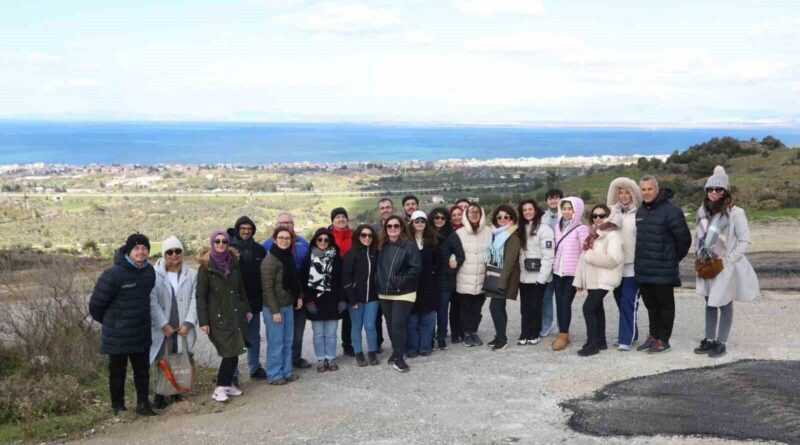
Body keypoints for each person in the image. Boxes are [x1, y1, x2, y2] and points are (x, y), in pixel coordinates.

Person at [693, 166, 759, 358]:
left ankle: (721, 342)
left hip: (725, 265)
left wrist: (729, 260)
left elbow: (745, 240)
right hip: (706, 264)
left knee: (724, 303)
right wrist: (699, 256)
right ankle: (709, 339)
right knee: (709, 302)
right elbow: (699, 237)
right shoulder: (702, 211)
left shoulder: (735, 213)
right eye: (710, 189)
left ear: (726, 191)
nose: (714, 193)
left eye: (719, 189)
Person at [89, 233, 157, 416]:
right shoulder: (113, 274)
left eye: (144, 248)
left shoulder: (149, 272)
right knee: (117, 373)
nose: (141, 252)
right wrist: (114, 322)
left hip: (141, 332)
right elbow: (95, 306)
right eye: (136, 248)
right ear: (128, 251)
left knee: (142, 371)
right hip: (117, 335)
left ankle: (143, 404)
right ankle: (118, 407)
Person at [634, 175, 691, 354]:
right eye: (643, 189)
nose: (646, 192)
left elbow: (684, 240)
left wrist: (671, 259)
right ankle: (653, 336)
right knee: (651, 306)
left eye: (649, 189)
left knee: (665, 306)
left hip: (663, 269)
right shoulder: (641, 211)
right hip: (644, 269)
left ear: (657, 189)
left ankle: (664, 340)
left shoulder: (672, 211)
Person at [196, 230, 253, 402]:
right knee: (229, 352)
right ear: (212, 243)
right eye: (217, 241)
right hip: (218, 318)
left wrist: (247, 309)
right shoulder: (205, 268)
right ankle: (220, 387)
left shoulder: (233, 263)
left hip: (235, 314)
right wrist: (204, 321)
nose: (221, 244)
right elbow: (200, 296)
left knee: (236, 349)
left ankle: (227, 385)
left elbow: (241, 288)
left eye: (224, 242)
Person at [149, 235, 197, 409]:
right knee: (161, 358)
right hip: (163, 327)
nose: (174, 255)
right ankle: (160, 393)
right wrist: (163, 324)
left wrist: (188, 323)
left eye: (178, 251)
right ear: (164, 254)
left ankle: (177, 391)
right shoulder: (154, 275)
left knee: (179, 357)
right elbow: (152, 301)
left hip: (182, 325)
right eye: (169, 252)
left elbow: (195, 300)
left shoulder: (191, 274)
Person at [263, 212, 312, 370]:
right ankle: (276, 372)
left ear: (293, 224)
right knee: (277, 338)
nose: (285, 225)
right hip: (277, 301)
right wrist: (273, 308)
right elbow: (267, 283)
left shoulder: (302, 244)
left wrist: (300, 295)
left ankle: (292, 362)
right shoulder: (267, 247)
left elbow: (301, 272)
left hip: (295, 297)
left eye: (288, 223)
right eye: (281, 223)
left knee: (294, 334)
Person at [573, 205, 624, 356]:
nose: (598, 218)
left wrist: (590, 255)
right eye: (595, 216)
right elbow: (583, 260)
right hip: (593, 278)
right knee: (597, 309)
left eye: (602, 215)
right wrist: (579, 280)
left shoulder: (613, 235)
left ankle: (592, 343)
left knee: (588, 308)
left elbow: (613, 260)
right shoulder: (593, 234)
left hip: (605, 279)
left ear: (608, 216)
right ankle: (600, 341)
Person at [376, 216, 422, 372]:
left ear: (401, 227)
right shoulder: (381, 245)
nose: (393, 228)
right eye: (389, 226)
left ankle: (399, 358)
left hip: (403, 292)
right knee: (390, 324)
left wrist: (399, 281)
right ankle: (397, 352)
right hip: (384, 292)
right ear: (386, 228)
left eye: (396, 225)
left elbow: (416, 268)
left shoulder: (409, 245)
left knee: (397, 323)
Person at [261, 227, 304, 384]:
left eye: (287, 238)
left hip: (288, 305)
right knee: (276, 342)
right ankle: (274, 375)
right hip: (275, 309)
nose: (284, 240)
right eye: (281, 237)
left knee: (287, 341)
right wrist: (275, 311)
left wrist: (298, 296)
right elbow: (267, 289)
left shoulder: (287, 257)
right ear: (274, 239)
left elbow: (294, 279)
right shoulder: (270, 261)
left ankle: (286, 372)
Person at [226, 216, 267, 382]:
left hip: (254, 300)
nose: (246, 231)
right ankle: (233, 373)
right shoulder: (229, 250)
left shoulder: (259, 250)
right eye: (243, 228)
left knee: (254, 336)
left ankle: (255, 367)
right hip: (235, 302)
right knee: (235, 338)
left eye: (249, 228)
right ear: (237, 229)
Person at [300, 228, 346, 372]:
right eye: (320, 239)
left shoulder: (337, 258)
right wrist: (308, 301)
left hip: (333, 301)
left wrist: (342, 300)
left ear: (330, 241)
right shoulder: (308, 259)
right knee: (318, 333)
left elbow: (342, 281)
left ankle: (331, 358)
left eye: (326, 240)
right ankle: (321, 359)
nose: (323, 242)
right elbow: (303, 282)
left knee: (331, 333)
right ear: (315, 241)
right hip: (315, 302)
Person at [606, 178, 642, 351]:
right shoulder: (612, 212)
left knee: (629, 300)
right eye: (621, 192)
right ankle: (632, 333)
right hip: (616, 264)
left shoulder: (640, 214)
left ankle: (625, 338)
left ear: (633, 194)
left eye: (628, 192)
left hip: (634, 265)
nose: (624, 196)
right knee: (621, 300)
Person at [551, 197, 589, 351]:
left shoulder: (582, 229)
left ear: (577, 210)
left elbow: (584, 253)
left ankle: (563, 334)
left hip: (572, 273)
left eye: (570, 208)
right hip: (557, 271)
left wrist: (582, 278)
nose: (567, 211)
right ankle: (563, 331)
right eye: (564, 208)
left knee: (565, 302)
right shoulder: (557, 227)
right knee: (559, 303)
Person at [517, 199, 554, 346]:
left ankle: (535, 332)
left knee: (536, 305)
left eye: (530, 209)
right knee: (524, 306)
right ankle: (524, 332)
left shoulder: (545, 230)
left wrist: (542, 278)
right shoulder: (519, 228)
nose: (527, 212)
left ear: (536, 210)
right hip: (523, 275)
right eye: (524, 210)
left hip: (539, 276)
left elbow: (548, 255)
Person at [484, 205, 521, 351]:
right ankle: (500, 335)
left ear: (512, 218)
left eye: (507, 217)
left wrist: (502, 281)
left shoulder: (513, 236)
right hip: (496, 274)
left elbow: (510, 261)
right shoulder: (495, 234)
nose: (503, 220)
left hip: (505, 277)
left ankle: (502, 338)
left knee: (495, 307)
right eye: (499, 217)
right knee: (499, 307)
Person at [343, 224, 381, 366]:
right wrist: (351, 298)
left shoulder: (376, 253)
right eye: (363, 235)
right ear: (358, 237)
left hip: (372, 297)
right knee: (356, 326)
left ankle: (372, 352)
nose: (367, 238)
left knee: (370, 326)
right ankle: (358, 353)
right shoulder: (351, 253)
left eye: (370, 235)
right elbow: (346, 277)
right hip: (355, 299)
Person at [455, 202, 491, 347]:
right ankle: (466, 333)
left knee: (477, 308)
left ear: (481, 215)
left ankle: (474, 331)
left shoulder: (488, 232)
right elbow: (453, 252)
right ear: (466, 215)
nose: (474, 214)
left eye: (477, 212)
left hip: (482, 276)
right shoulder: (459, 233)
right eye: (471, 212)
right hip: (465, 277)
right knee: (465, 308)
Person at [429, 207, 464, 350]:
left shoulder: (452, 235)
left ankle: (441, 335)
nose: (439, 220)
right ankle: (429, 337)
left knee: (442, 310)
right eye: (436, 217)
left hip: (445, 279)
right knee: (430, 310)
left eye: (442, 218)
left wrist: (451, 269)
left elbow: (460, 256)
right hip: (429, 279)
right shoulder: (427, 234)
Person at [406, 211, 439, 357]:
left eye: (422, 221)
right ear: (411, 223)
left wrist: (433, 272)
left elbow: (439, 261)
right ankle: (412, 348)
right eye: (416, 221)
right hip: (411, 285)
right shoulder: (406, 241)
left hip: (428, 285)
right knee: (411, 320)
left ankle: (425, 346)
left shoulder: (433, 240)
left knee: (428, 318)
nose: (420, 224)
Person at [329, 207, 355, 356]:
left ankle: (347, 344)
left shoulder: (354, 235)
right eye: (337, 217)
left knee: (349, 315)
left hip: (350, 277)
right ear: (332, 220)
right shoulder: (326, 235)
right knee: (332, 313)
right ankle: (328, 350)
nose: (341, 219)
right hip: (332, 279)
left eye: (343, 216)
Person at [541, 188, 563, 338]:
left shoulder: (568, 214)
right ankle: (546, 324)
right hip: (547, 261)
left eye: (556, 198)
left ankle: (562, 326)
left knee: (562, 297)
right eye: (550, 198)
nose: (553, 201)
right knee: (546, 296)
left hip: (563, 262)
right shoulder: (542, 217)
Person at [448, 204, 466, 342]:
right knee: (454, 304)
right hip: (452, 271)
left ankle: (465, 329)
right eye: (453, 215)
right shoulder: (448, 231)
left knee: (464, 303)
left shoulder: (469, 229)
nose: (457, 217)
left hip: (467, 270)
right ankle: (455, 332)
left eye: (459, 214)